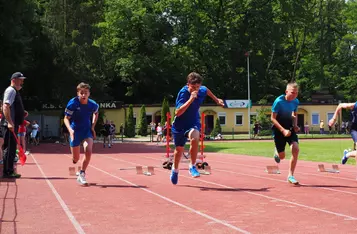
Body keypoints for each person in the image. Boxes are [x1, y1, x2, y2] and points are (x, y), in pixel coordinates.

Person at [170, 72, 224, 185]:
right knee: (179, 150)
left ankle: (192, 166)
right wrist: (190, 99)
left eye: (197, 87)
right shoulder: (183, 93)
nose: (196, 89)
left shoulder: (202, 89)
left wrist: (216, 99)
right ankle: (175, 170)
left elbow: (206, 90)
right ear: (188, 84)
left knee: (195, 136)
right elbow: (178, 112)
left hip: (193, 122)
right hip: (179, 124)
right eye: (193, 87)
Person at [64, 82, 99, 185]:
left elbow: (96, 113)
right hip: (75, 131)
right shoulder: (72, 103)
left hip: (86, 131)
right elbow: (66, 118)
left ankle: (82, 173)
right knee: (76, 159)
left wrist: (92, 126)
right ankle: (75, 159)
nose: (83, 95)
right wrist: (70, 130)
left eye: (86, 93)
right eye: (81, 93)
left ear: (89, 93)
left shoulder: (93, 104)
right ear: (78, 93)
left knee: (88, 150)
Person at [271, 82, 300, 185]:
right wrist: (282, 130)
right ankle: (277, 152)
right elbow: (272, 118)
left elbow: (294, 113)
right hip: (279, 130)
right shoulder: (278, 102)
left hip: (290, 128)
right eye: (292, 92)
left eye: (296, 93)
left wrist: (295, 125)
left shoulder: (296, 101)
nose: (294, 95)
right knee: (282, 157)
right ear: (286, 92)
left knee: (295, 149)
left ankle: (290, 175)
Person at [1, 72, 28, 178]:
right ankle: (7, 172)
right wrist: (9, 122)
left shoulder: (14, 91)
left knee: (12, 148)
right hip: (9, 125)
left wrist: (21, 113)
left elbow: (11, 107)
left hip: (12, 124)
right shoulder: (11, 90)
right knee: (10, 148)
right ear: (14, 80)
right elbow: (5, 106)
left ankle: (9, 170)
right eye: (20, 79)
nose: (22, 81)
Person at [329, 102, 357, 167]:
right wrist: (334, 119)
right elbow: (340, 105)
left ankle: (347, 154)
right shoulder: (355, 105)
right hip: (355, 129)